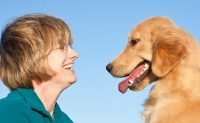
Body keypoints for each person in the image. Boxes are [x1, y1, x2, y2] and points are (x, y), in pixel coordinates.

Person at [0, 14, 78, 123]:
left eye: (70, 46)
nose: (75, 54)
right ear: (32, 57)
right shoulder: (10, 112)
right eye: (61, 47)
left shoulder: (65, 120)